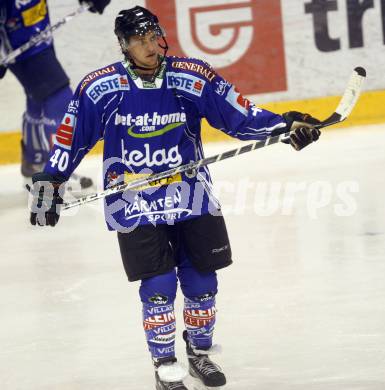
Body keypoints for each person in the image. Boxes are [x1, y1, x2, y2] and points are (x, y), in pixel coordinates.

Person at [28, 6, 321, 390]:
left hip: (191, 192)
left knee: (202, 280)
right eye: (140, 40)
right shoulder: (100, 88)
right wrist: (51, 180)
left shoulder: (191, 76)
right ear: (123, 45)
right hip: (133, 201)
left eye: (154, 37)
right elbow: (70, 137)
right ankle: (165, 363)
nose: (150, 46)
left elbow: (239, 115)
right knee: (160, 284)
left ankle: (198, 353)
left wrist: (286, 125)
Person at [0, 0, 110, 186]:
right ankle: (54, 175)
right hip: (18, 45)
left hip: (38, 33)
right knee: (60, 101)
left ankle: (35, 160)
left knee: (39, 97)